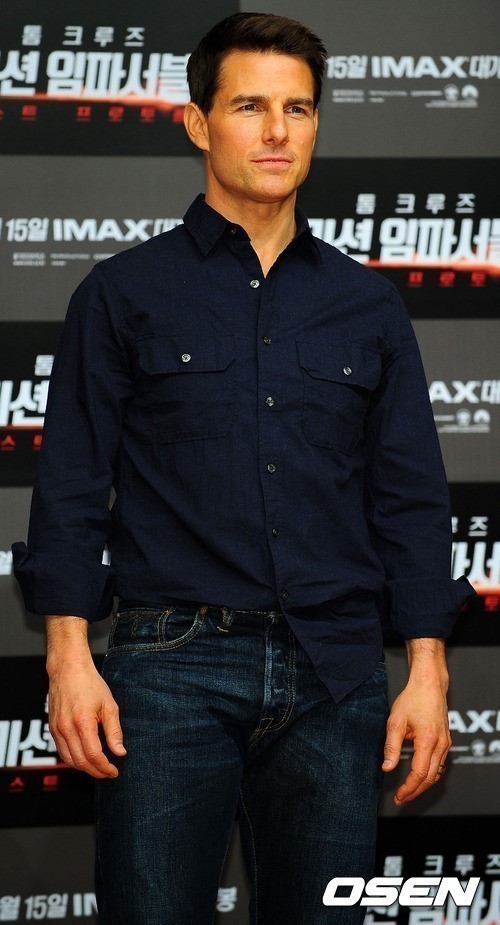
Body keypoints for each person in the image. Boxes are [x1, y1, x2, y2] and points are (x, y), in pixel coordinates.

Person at [13, 12, 474, 925]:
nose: (276, 132)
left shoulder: (368, 305)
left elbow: (411, 499)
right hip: (169, 670)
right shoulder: (122, 293)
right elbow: (71, 486)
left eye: (297, 109)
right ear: (198, 123)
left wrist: (428, 671)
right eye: (249, 106)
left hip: (335, 674)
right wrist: (67, 656)